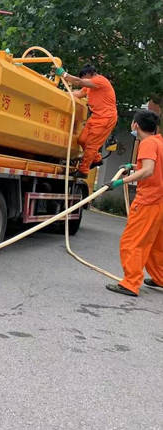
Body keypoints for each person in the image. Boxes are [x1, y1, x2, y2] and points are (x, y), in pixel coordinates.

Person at [104, 110, 163, 297]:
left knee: (132, 242)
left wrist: (120, 182)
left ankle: (130, 283)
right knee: (155, 245)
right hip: (160, 201)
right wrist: (132, 167)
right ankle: (160, 278)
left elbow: (148, 171)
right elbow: (154, 167)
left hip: (148, 201)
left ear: (136, 125)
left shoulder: (146, 143)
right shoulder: (159, 142)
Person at [58, 64, 118, 178]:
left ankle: (83, 171)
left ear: (89, 74)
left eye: (83, 77)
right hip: (96, 117)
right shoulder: (89, 86)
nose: (83, 79)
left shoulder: (99, 81)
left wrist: (64, 74)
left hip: (106, 118)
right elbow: (79, 94)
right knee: (82, 140)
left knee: (91, 145)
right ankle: (96, 159)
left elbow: (79, 82)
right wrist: (62, 94)